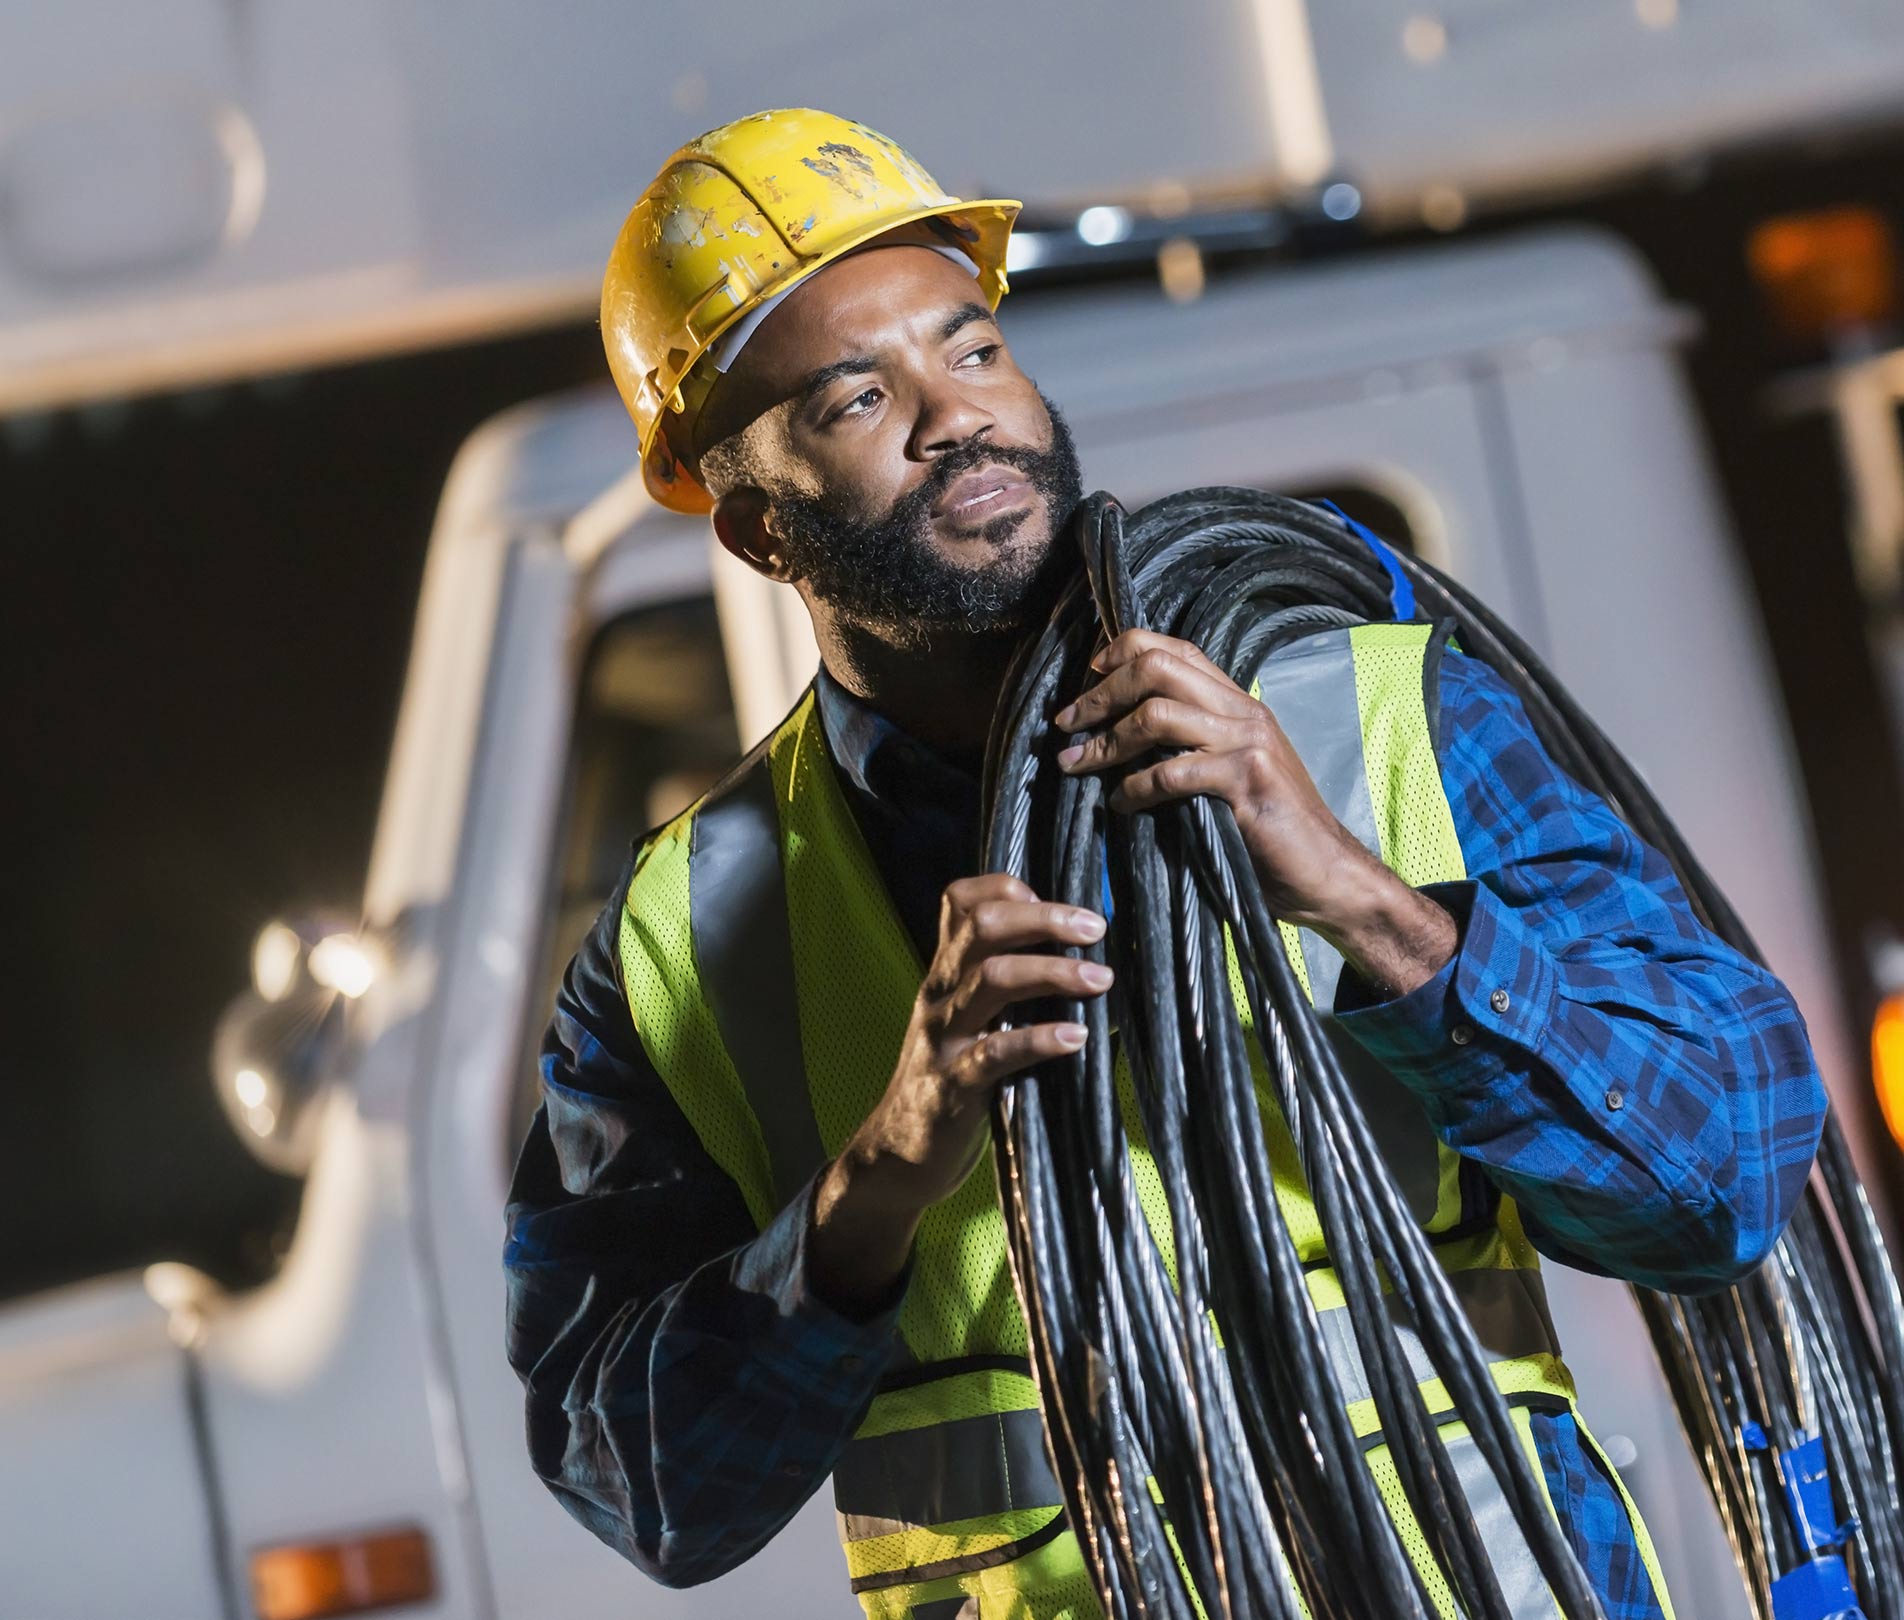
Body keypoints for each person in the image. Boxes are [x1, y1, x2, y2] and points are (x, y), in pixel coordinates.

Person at [503, 108, 1826, 1620]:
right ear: (754, 531)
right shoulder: (684, 934)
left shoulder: (1362, 717)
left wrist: (1361, 901)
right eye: (859, 397)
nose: (958, 418)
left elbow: (1725, 1171)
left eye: (975, 347)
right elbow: (637, 1483)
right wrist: (882, 1178)